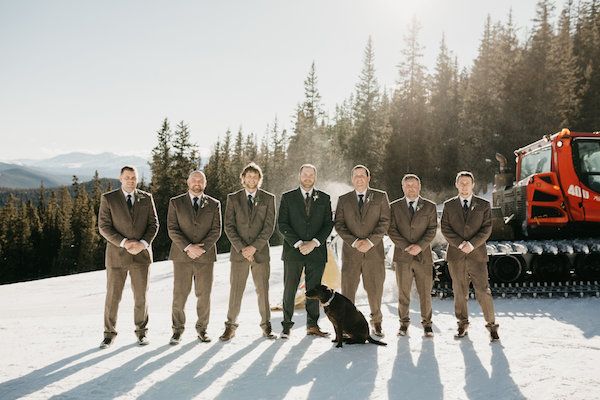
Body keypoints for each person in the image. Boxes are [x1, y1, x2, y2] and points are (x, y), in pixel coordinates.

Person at [97, 165, 159, 349]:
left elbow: (153, 224)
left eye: (133, 177)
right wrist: (124, 243)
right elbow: (104, 227)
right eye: (127, 177)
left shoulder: (146, 198)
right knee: (113, 297)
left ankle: (141, 333)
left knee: (141, 297)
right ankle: (109, 334)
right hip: (117, 256)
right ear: (120, 178)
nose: (131, 180)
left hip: (141, 256)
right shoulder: (108, 198)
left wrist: (142, 244)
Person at [220, 162, 277, 341]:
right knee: (236, 291)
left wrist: (254, 247)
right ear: (243, 178)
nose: (252, 179)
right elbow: (229, 226)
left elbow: (269, 227)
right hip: (239, 253)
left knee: (263, 291)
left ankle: (266, 326)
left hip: (260, 253)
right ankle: (230, 326)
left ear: (259, 179)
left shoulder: (268, 198)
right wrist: (242, 248)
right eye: (249, 176)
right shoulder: (233, 198)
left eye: (255, 177)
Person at [441, 171, 499, 341]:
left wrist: (472, 244)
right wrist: (460, 244)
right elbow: (445, 228)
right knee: (459, 292)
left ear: (473, 185)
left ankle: (491, 326)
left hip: (477, 255)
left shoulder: (483, 205)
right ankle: (462, 324)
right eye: (461, 183)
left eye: (468, 183)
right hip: (456, 255)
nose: (465, 186)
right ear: (456, 184)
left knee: (483, 291)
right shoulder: (449, 205)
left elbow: (486, 228)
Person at [278, 164, 334, 339]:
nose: (308, 177)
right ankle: (286, 326)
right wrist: (298, 243)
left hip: (316, 253)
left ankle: (312, 325)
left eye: (311, 174)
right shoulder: (287, 197)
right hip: (293, 251)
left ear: (315, 177)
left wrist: (314, 243)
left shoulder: (324, 198)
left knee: (314, 290)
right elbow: (282, 224)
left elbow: (328, 224)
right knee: (290, 289)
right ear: (299, 175)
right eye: (305, 174)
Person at [334, 165, 390, 337]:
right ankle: (346, 325)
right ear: (352, 179)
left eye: (362, 175)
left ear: (368, 178)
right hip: (351, 253)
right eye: (356, 175)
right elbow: (339, 224)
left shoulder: (380, 196)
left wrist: (370, 242)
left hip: (374, 253)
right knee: (348, 290)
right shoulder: (344, 199)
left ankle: (377, 321)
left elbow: (385, 222)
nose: (359, 178)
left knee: (374, 289)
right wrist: (355, 242)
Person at [167, 170, 221, 345]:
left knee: (204, 295)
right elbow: (172, 229)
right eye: (194, 180)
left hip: (205, 258)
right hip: (182, 256)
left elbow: (216, 230)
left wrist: (201, 249)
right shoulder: (175, 203)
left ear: (205, 183)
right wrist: (188, 247)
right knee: (179, 295)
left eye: (201, 180)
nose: (197, 183)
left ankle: (202, 329)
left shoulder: (214, 204)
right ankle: (177, 331)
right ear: (188, 182)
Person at [388, 174, 437, 337]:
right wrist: (407, 247)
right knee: (403, 293)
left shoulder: (429, 206)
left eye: (414, 185)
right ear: (402, 187)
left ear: (419, 186)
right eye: (407, 185)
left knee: (425, 293)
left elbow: (431, 230)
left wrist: (420, 246)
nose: (411, 188)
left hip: (424, 257)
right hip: (403, 257)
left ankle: (427, 324)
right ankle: (403, 324)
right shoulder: (394, 207)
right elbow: (391, 230)